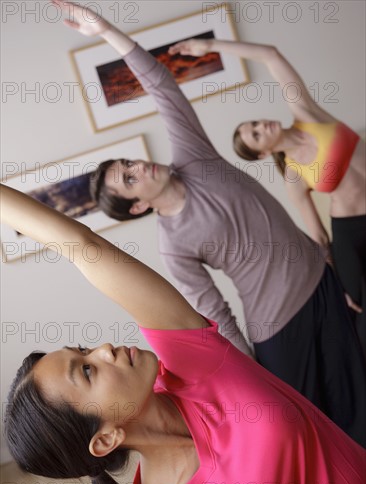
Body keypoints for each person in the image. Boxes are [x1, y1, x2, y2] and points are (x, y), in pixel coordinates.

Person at [45, 1, 366, 447]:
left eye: (128, 163)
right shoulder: (173, 245)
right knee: (317, 430)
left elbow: (161, 85)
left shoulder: (194, 157)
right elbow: (216, 314)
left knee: (360, 400)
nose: (139, 166)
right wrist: (252, 373)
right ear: (137, 207)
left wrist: (105, 30)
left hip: (323, 284)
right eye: (130, 178)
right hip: (279, 329)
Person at [2, 178, 366, 484]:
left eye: (83, 350)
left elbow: (83, 247)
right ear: (106, 438)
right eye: (87, 371)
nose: (104, 349)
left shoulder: (195, 365)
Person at [170, 37, 366, 360]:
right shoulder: (293, 176)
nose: (262, 125)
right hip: (351, 235)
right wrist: (336, 287)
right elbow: (317, 235)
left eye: (256, 123)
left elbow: (271, 55)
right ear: (263, 153)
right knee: (357, 314)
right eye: (257, 133)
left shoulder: (307, 113)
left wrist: (211, 47)